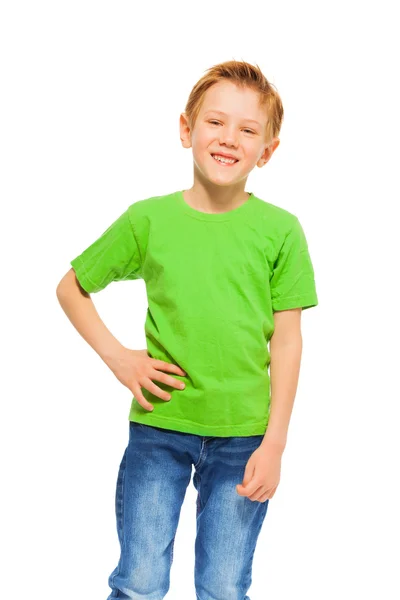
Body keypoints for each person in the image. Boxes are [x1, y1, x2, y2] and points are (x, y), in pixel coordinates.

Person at [56, 59, 319, 600]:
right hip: (159, 429)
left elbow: (288, 341)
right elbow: (72, 287)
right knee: (140, 583)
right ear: (186, 129)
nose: (229, 139)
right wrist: (120, 358)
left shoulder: (281, 232)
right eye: (215, 122)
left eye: (248, 130)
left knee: (224, 588)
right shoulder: (148, 221)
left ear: (267, 150)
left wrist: (275, 444)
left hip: (244, 440)